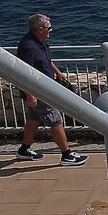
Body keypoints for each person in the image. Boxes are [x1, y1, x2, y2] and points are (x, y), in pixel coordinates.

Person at [15, 13, 87, 166]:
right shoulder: (28, 47)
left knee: (34, 119)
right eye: (48, 27)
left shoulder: (40, 41)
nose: (51, 30)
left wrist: (58, 74)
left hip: (44, 88)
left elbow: (46, 60)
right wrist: (30, 95)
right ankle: (67, 155)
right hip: (38, 91)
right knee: (55, 120)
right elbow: (21, 73)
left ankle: (23, 150)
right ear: (39, 29)